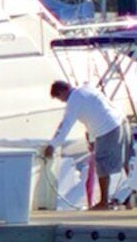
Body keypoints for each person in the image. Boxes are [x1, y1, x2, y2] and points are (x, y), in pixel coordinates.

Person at [49, 80, 127, 208]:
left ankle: (103, 202)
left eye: (59, 97)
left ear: (62, 91)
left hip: (106, 129)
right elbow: (94, 111)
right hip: (117, 122)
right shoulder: (86, 88)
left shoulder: (73, 101)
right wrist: (91, 138)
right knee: (125, 162)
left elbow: (65, 125)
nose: (61, 101)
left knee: (102, 164)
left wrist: (53, 145)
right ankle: (127, 199)